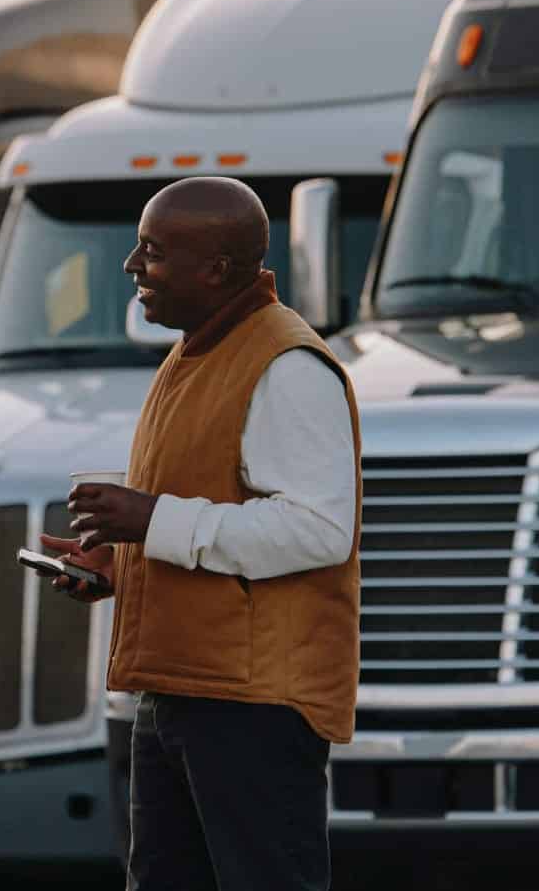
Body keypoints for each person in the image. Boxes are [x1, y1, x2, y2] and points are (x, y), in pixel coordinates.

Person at [40, 177, 361, 891]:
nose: (131, 267)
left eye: (152, 252)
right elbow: (216, 518)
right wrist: (118, 564)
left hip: (253, 710)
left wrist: (151, 519)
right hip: (182, 694)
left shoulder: (287, 365)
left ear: (216, 270)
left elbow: (319, 529)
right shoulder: (198, 353)